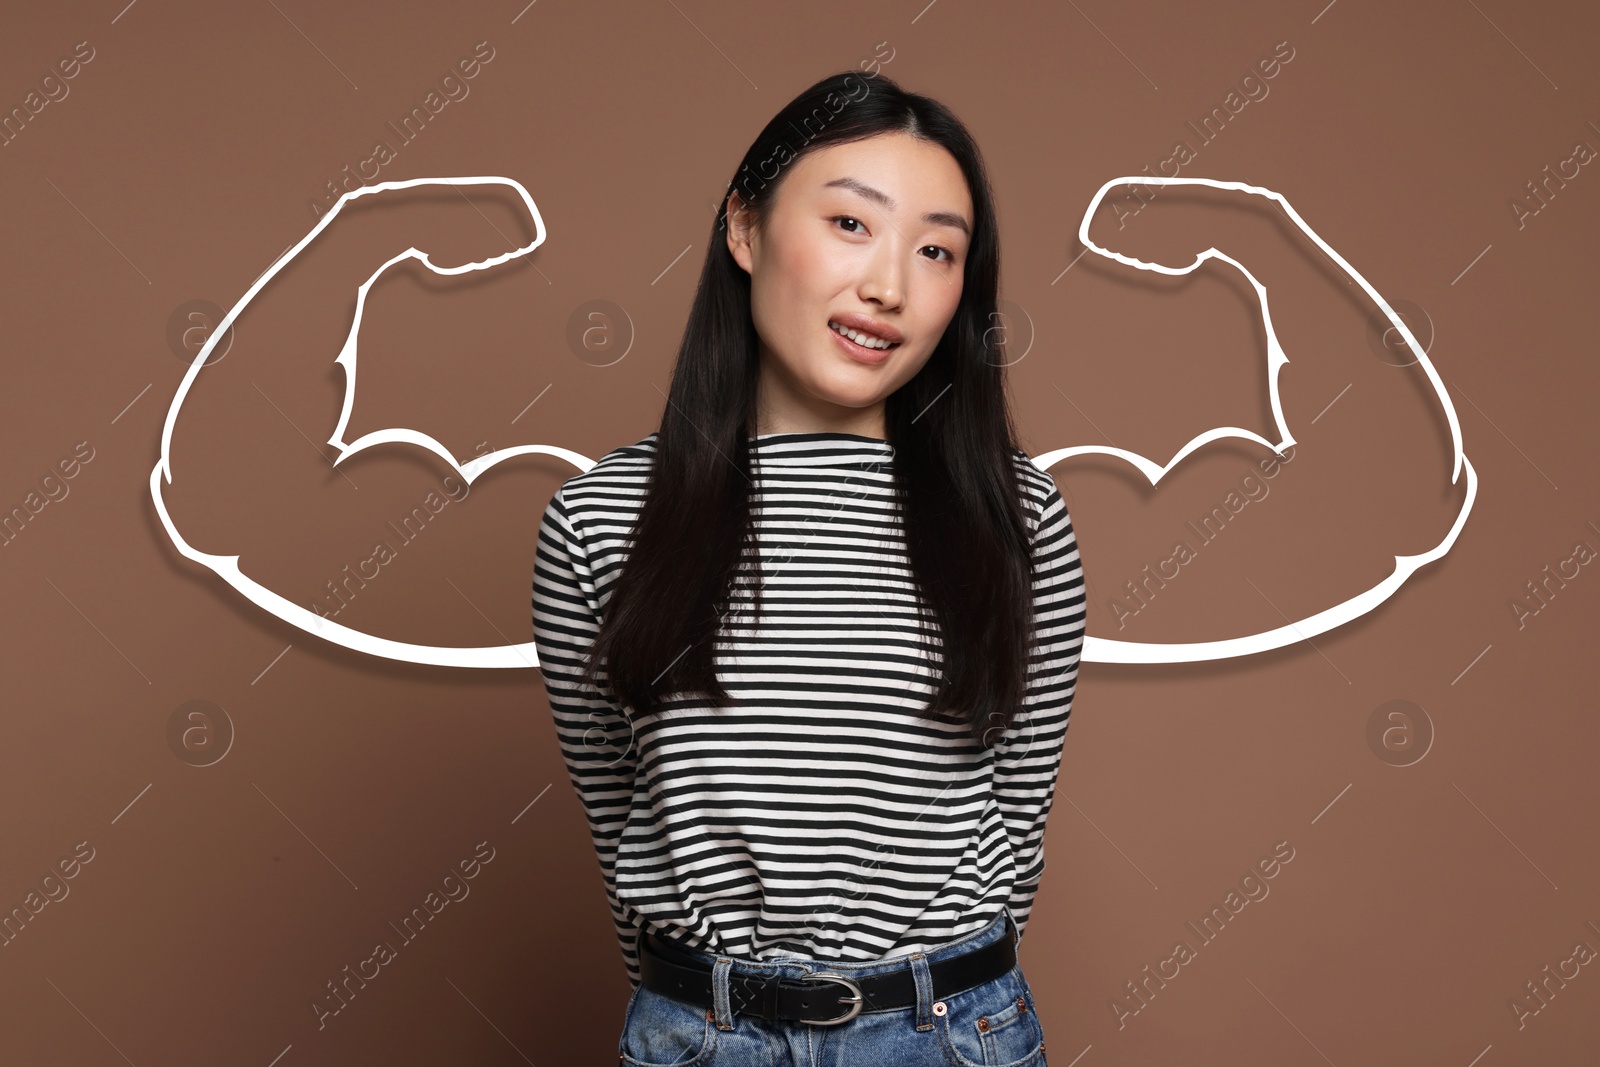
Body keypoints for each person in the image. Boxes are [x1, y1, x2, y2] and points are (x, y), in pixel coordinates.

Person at [531, 68, 1084, 1066]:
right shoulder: (601, 518)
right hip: (701, 1034)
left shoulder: (1016, 515)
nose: (888, 285)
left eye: (936, 250)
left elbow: (1018, 815)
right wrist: (707, 1003)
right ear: (743, 230)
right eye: (849, 224)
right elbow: (623, 816)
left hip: (951, 1029)